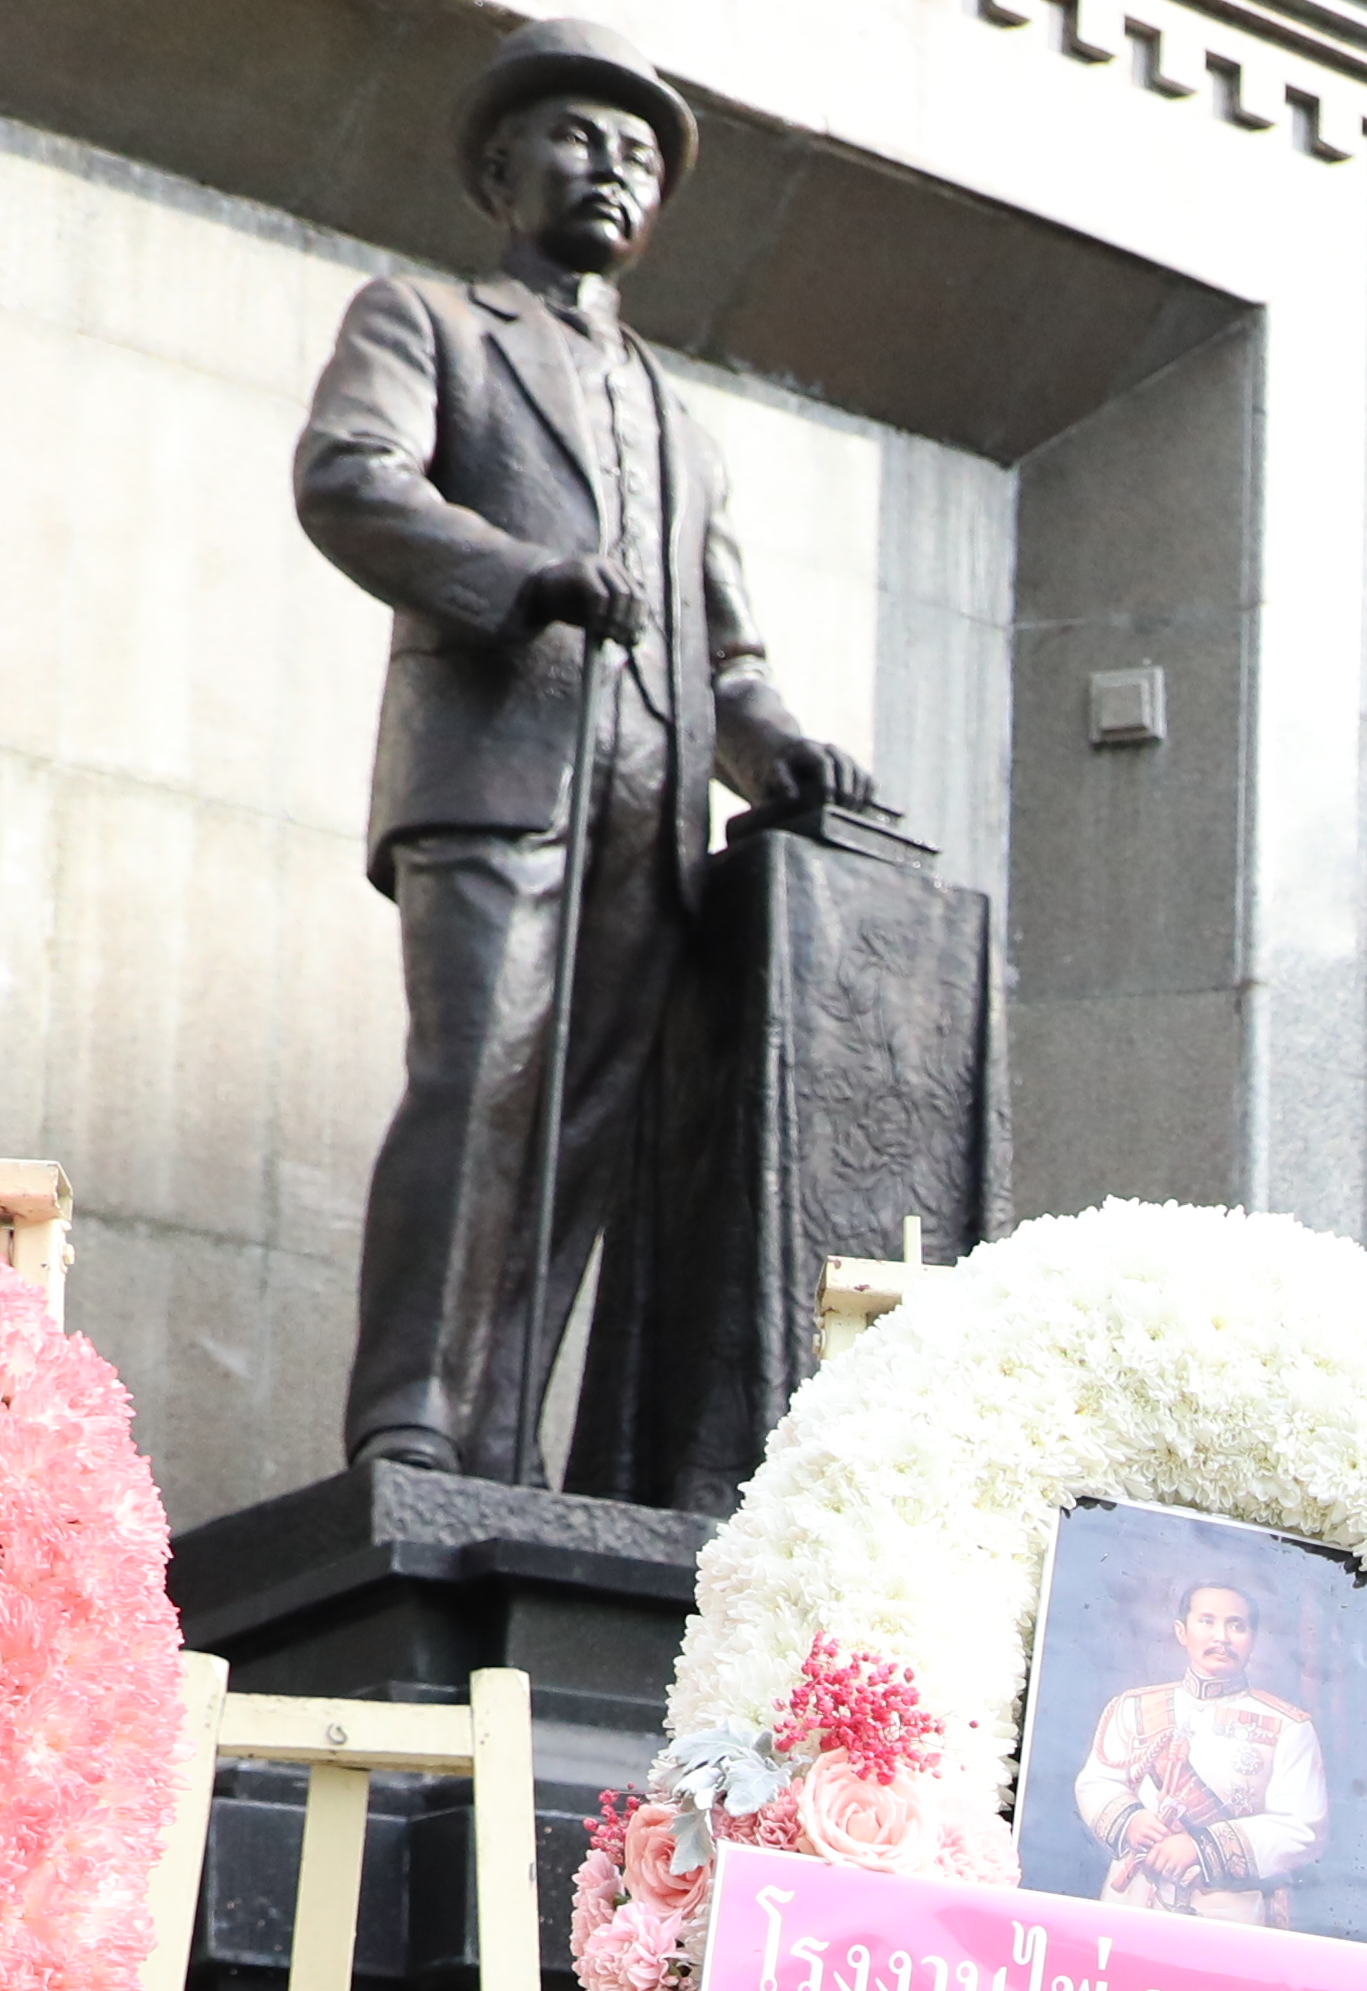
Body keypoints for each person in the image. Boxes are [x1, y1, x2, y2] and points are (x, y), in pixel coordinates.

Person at [297, 18, 874, 1486]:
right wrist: (522, 578)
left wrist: (785, 750)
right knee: (478, 1077)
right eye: (575, 137)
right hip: (495, 768)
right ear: (499, 169)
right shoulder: (425, 320)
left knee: (588, 1136)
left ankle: (503, 1443)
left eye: (638, 156)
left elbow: (726, 654)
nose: (610, 169)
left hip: (648, 809)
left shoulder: (684, 419)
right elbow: (352, 480)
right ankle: (409, 1420)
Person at [1067, 1576, 1330, 1925]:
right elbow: (1097, 1782)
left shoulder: (1289, 1727)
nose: (1221, 1637)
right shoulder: (1132, 1707)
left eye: (1235, 1625)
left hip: (1228, 1910)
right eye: (1207, 1621)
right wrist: (1132, 1820)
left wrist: (1199, 1848)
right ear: (1181, 1631)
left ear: (1252, 1639)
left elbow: (1302, 1828)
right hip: (1132, 1898)